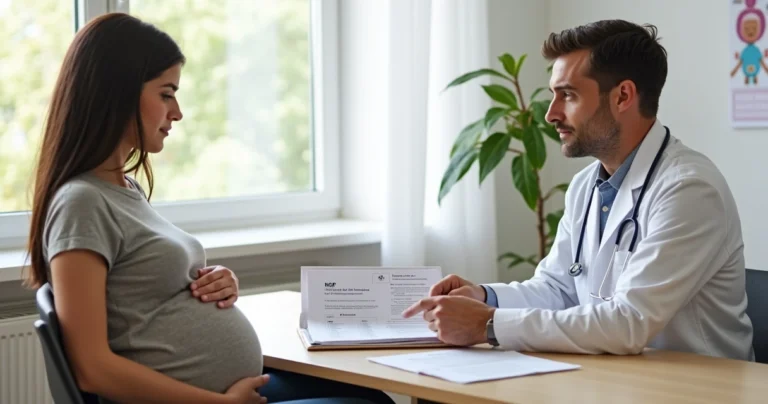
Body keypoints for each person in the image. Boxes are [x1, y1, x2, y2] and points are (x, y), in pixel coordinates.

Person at [23, 12, 393, 404]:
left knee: (371, 396)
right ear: (117, 93)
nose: (177, 112)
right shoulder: (81, 202)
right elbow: (91, 368)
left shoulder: (121, 189)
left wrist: (207, 283)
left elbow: (142, 293)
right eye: (166, 93)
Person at [402, 19, 755, 361]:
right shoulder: (587, 185)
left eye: (567, 95)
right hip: (614, 379)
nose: (551, 114)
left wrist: (488, 324)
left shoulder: (689, 190)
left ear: (623, 96)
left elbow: (629, 322)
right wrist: (484, 297)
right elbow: (559, 289)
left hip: (697, 390)